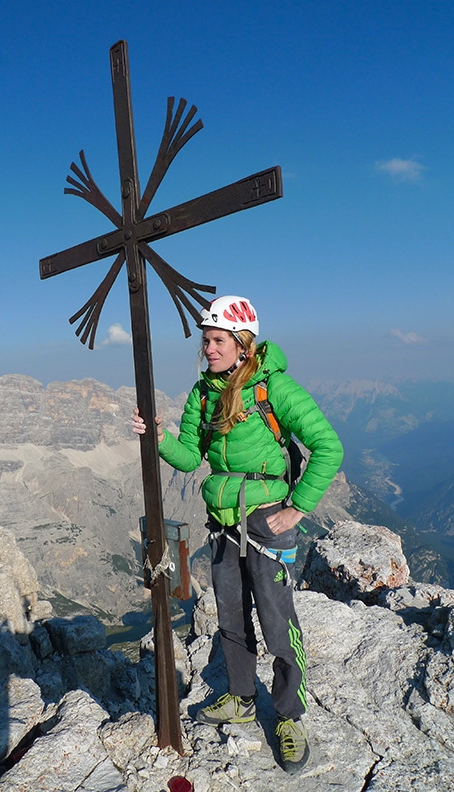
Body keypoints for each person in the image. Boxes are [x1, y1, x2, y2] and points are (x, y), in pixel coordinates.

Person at [132, 295, 343, 774]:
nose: (207, 348)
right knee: (230, 616)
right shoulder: (203, 394)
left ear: (243, 345)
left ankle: (290, 716)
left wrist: (296, 510)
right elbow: (190, 455)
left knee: (276, 622)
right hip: (224, 523)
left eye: (217, 340)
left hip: (267, 519)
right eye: (205, 340)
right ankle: (242, 697)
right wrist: (158, 437)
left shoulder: (275, 389)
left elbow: (328, 446)